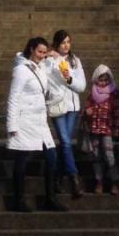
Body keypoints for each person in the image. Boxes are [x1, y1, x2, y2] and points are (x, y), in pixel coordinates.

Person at [6, 36, 64, 212]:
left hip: (40, 121)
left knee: (52, 156)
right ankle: (18, 200)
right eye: (39, 51)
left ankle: (50, 198)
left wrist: (54, 56)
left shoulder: (40, 67)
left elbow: (51, 65)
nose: (42, 55)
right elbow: (13, 98)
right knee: (22, 158)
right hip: (25, 121)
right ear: (31, 49)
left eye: (44, 52)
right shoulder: (21, 71)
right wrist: (12, 125)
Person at [45, 29, 87, 198]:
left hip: (73, 107)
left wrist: (69, 79)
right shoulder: (48, 60)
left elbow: (81, 86)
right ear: (56, 43)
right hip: (57, 105)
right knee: (65, 141)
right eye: (63, 42)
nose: (66, 45)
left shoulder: (75, 61)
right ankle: (74, 177)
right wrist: (54, 61)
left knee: (65, 144)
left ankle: (58, 177)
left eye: (68, 42)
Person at [81, 63, 119, 195]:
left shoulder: (114, 93)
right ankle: (99, 181)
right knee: (96, 155)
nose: (103, 83)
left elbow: (117, 111)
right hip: (94, 128)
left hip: (107, 129)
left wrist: (116, 129)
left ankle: (114, 181)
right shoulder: (93, 93)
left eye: (106, 80)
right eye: (101, 79)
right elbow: (85, 109)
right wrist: (86, 112)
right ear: (95, 79)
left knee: (109, 156)